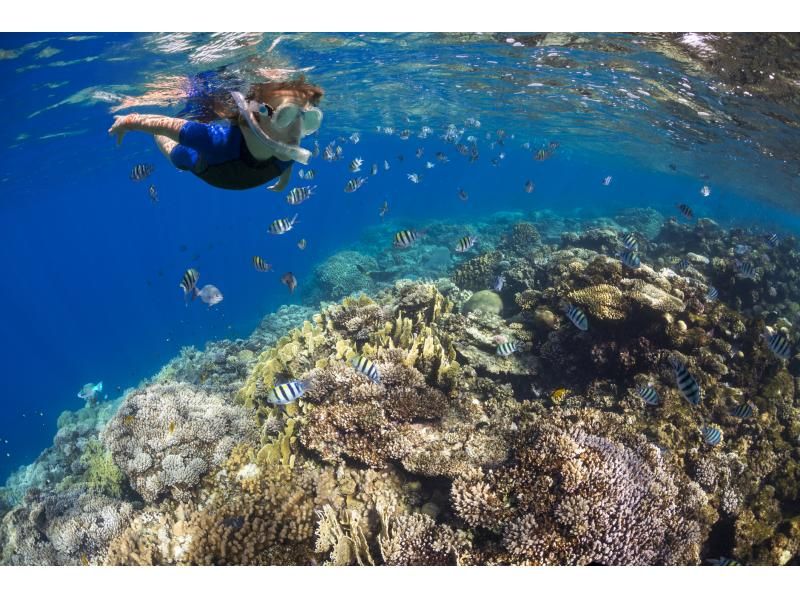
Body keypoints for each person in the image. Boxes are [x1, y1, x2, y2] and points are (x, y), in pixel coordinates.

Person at [108, 75, 324, 191]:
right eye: (286, 115)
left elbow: (288, 160)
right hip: (211, 168)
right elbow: (166, 125)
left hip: (236, 171)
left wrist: (283, 181)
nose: (297, 130)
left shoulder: (287, 143)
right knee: (177, 154)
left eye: (307, 119)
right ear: (253, 116)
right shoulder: (213, 140)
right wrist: (128, 121)